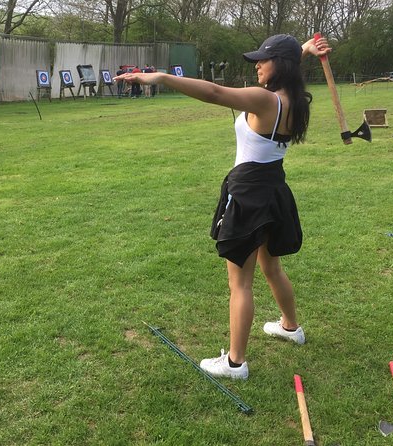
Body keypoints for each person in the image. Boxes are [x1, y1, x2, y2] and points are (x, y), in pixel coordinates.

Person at [115, 34, 330, 380]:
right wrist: (301, 50)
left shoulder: (264, 100)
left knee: (240, 284)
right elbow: (289, 66)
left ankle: (235, 363)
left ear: (281, 65)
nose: (257, 64)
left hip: (248, 196)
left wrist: (159, 78)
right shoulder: (294, 99)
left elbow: (214, 93)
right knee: (271, 268)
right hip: (274, 190)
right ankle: (291, 327)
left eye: (263, 59)